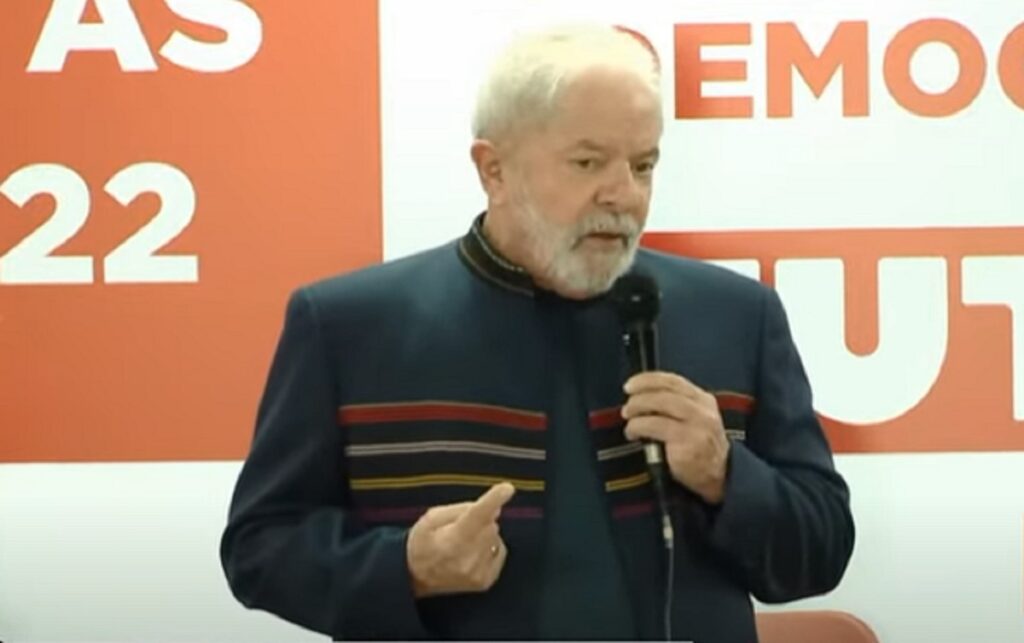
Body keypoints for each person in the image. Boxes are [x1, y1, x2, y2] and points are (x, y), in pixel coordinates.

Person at [219, 23, 855, 642]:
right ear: (493, 170)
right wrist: (405, 567)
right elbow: (260, 546)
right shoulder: (347, 325)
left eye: (643, 165)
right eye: (587, 162)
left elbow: (824, 547)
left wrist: (725, 475)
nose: (623, 194)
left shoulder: (736, 315)